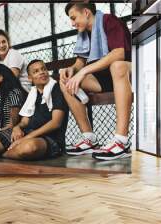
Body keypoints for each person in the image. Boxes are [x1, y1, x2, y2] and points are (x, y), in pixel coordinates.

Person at [0, 60, 69, 174]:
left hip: (50, 139)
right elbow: (24, 121)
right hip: (25, 134)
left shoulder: (56, 89)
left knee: (29, 147)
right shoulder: (33, 94)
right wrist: (18, 127)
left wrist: (24, 136)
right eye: (36, 71)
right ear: (30, 78)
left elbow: (56, 123)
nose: (42, 72)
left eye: (43, 69)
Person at [59, 2, 132, 160]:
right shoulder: (84, 33)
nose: (72, 23)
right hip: (103, 77)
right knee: (65, 80)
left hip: (127, 72)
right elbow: (79, 63)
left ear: (86, 12)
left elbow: (119, 53)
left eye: (73, 18)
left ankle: (121, 140)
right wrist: (72, 70)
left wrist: (83, 70)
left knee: (117, 66)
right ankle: (88, 137)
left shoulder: (108, 20)